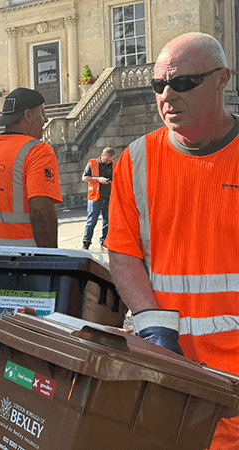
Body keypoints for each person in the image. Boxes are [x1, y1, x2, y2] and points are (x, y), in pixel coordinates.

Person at [106, 32, 239, 449]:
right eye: (158, 84)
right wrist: (153, 330)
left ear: (222, 79)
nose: (167, 95)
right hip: (170, 369)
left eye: (183, 82)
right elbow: (123, 252)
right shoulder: (136, 160)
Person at [0, 88, 62, 248]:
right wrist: (50, 258)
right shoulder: (38, 151)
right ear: (28, 115)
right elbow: (40, 209)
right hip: (25, 257)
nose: (45, 119)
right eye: (42, 113)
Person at [80, 147, 115, 251]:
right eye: (106, 159)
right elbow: (84, 178)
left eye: (110, 160)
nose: (108, 162)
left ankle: (104, 243)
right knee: (91, 221)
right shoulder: (92, 163)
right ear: (101, 156)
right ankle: (86, 243)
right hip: (95, 198)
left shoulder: (113, 164)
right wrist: (98, 179)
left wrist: (111, 181)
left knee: (108, 222)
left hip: (108, 197)